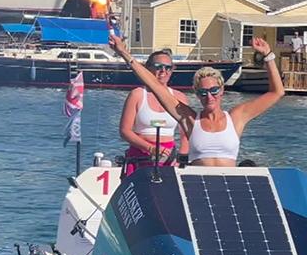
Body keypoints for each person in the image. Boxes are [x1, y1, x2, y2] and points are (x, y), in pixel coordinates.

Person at [111, 34, 284, 167]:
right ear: (197, 93)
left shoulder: (237, 117)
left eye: (214, 91)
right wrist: (124, 54)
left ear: (222, 90)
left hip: (229, 184)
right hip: (198, 187)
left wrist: (268, 55)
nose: (209, 96)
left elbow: (277, 92)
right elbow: (154, 85)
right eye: (203, 92)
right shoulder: (190, 120)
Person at [119, 49, 191, 175]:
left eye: (168, 67)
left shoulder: (180, 97)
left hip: (168, 158)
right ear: (148, 68)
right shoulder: (137, 95)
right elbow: (125, 131)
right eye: (159, 67)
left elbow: (186, 134)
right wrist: (150, 148)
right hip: (139, 157)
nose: (163, 71)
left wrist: (181, 158)